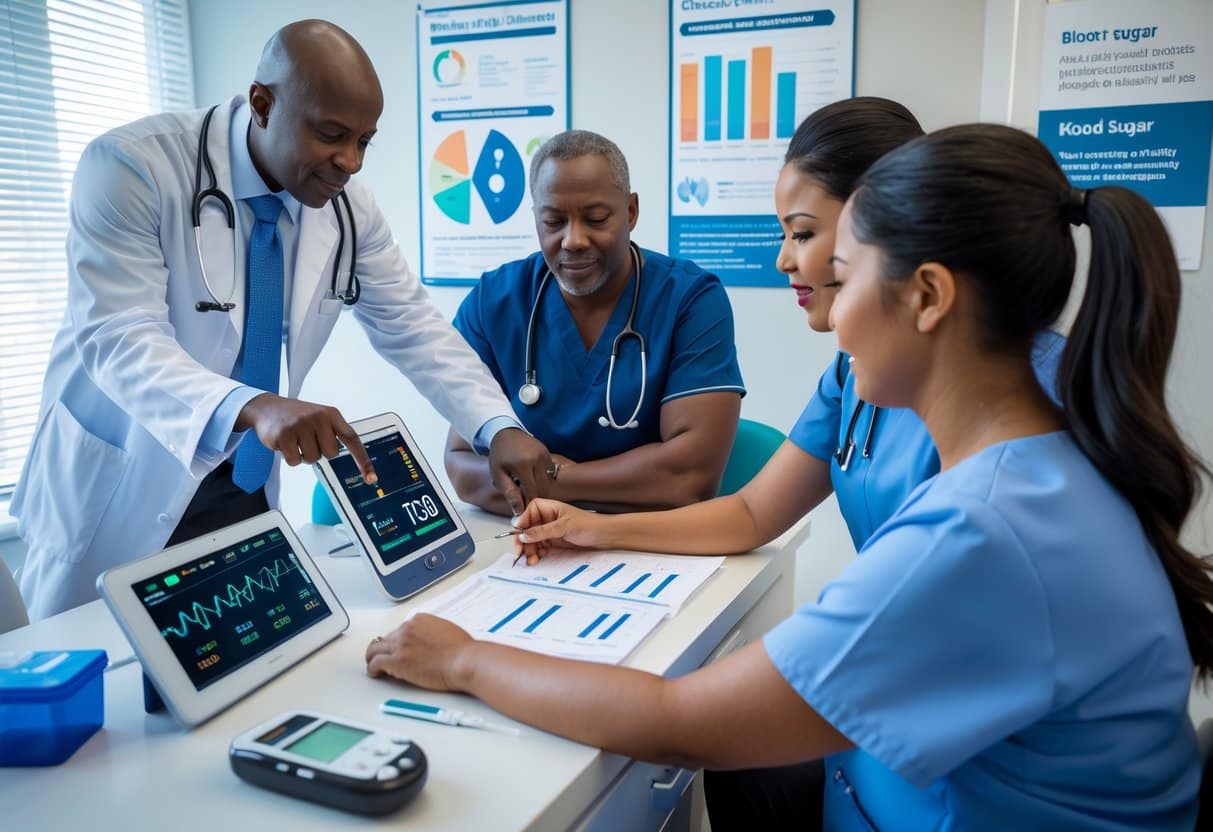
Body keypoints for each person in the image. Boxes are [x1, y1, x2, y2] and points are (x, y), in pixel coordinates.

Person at [367, 124, 1213, 828]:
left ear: (925, 297)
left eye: (840, 274)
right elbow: (749, 520)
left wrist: (465, 662)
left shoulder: (978, 529)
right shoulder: (1037, 467)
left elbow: (677, 724)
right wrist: (595, 522)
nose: (821, 300)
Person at [12, 20, 553, 620]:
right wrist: (253, 405)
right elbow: (118, 338)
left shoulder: (348, 210)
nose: (349, 162)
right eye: (331, 134)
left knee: (236, 672)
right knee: (95, 692)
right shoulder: (133, 168)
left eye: (365, 141)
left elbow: (413, 325)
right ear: (263, 104)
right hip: (121, 489)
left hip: (242, 493)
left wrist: (497, 425)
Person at [444, 130, 744, 515]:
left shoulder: (690, 299)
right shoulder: (494, 301)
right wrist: (607, 487)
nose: (573, 240)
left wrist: (553, 478)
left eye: (596, 218)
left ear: (631, 212)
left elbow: (689, 477)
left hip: (652, 546)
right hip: (529, 544)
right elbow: (462, 468)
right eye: (553, 222)